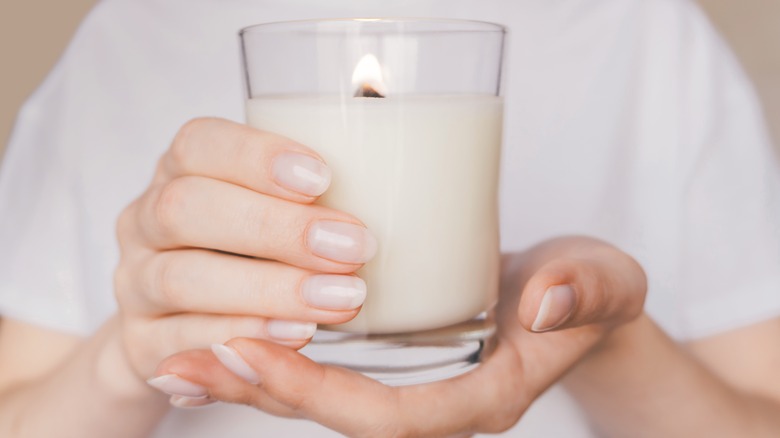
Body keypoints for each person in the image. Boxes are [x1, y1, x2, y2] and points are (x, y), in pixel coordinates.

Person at [1, 0, 779, 436]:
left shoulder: (641, 26)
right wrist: (126, 356)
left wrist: (604, 339)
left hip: (465, 329)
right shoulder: (131, 32)